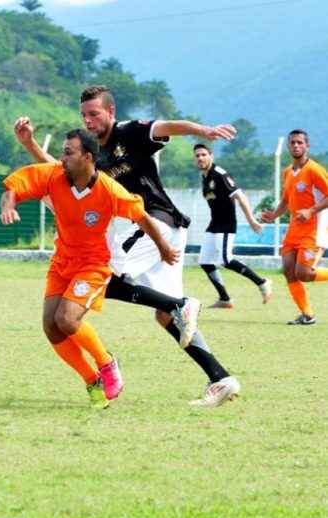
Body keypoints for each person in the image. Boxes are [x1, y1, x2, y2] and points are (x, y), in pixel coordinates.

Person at [14, 85, 241, 407]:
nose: (88, 121)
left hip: (154, 223)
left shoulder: (129, 133)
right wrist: (31, 144)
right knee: (164, 315)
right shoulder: (90, 152)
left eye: (94, 114)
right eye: (84, 115)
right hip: (159, 232)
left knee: (99, 273)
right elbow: (61, 169)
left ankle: (182, 304)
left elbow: (167, 126)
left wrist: (201, 130)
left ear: (111, 112)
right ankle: (220, 378)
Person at [0, 129, 180, 409]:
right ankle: (91, 380)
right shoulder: (53, 175)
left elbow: (142, 217)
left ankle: (107, 362)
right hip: (62, 264)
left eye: (68, 152)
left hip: (93, 266)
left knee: (67, 320)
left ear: (87, 157)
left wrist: (163, 248)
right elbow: (14, 188)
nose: (62, 157)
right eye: (62, 151)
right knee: (51, 327)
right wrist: (8, 206)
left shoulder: (108, 189)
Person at [261, 129, 328, 325]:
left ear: (307, 146)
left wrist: (311, 210)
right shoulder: (288, 172)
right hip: (293, 230)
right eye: (293, 143)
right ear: (289, 146)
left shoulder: (314, 170)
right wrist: (273, 215)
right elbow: (286, 199)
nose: (296, 146)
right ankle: (307, 315)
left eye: (300, 142)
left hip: (313, 230)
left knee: (304, 274)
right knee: (288, 271)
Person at [193, 143, 273, 308]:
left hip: (226, 224)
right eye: (197, 155)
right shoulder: (205, 177)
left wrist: (251, 221)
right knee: (205, 261)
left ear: (211, 156)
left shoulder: (220, 174)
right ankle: (225, 299)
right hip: (214, 224)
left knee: (225, 259)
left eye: (203, 154)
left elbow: (240, 196)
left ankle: (262, 282)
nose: (200, 158)